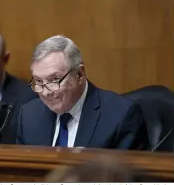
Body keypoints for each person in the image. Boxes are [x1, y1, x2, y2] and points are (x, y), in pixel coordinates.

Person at [16, 35, 150, 150]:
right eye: (39, 82)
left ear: (79, 74)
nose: (45, 92)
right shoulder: (28, 116)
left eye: (54, 80)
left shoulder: (121, 116)